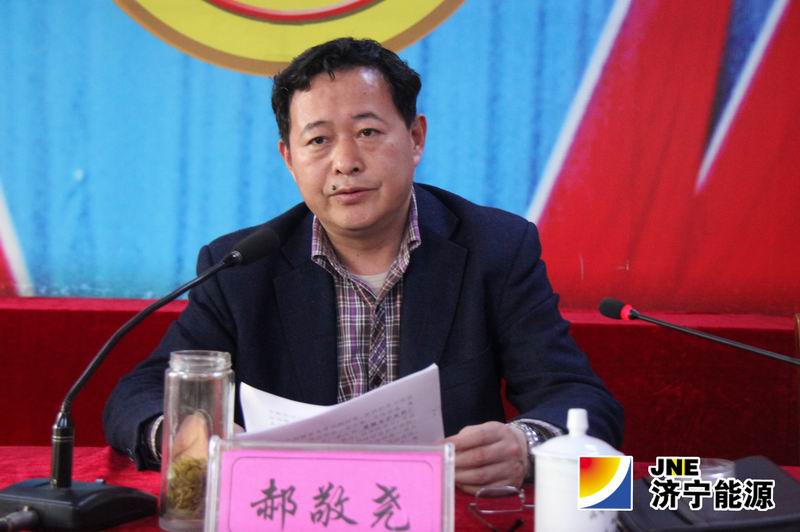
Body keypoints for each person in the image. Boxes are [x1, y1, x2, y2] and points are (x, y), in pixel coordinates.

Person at [104, 37, 623, 493]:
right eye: (318, 140)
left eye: (368, 132)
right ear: (289, 158)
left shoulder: (496, 249)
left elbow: (580, 399)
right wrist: (188, 435)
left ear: (415, 138)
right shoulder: (239, 267)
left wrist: (523, 443)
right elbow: (138, 396)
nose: (345, 161)